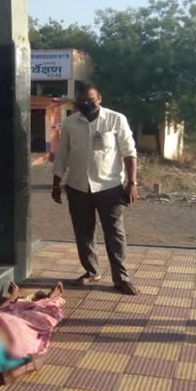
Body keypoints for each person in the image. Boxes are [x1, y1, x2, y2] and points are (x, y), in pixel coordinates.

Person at [52, 83, 140, 295]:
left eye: (90, 100)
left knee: (115, 234)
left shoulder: (116, 119)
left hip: (110, 187)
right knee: (83, 233)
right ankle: (92, 271)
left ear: (99, 99)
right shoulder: (70, 123)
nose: (85, 104)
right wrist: (56, 184)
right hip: (77, 186)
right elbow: (62, 154)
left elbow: (129, 152)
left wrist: (132, 182)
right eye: (81, 101)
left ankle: (121, 278)